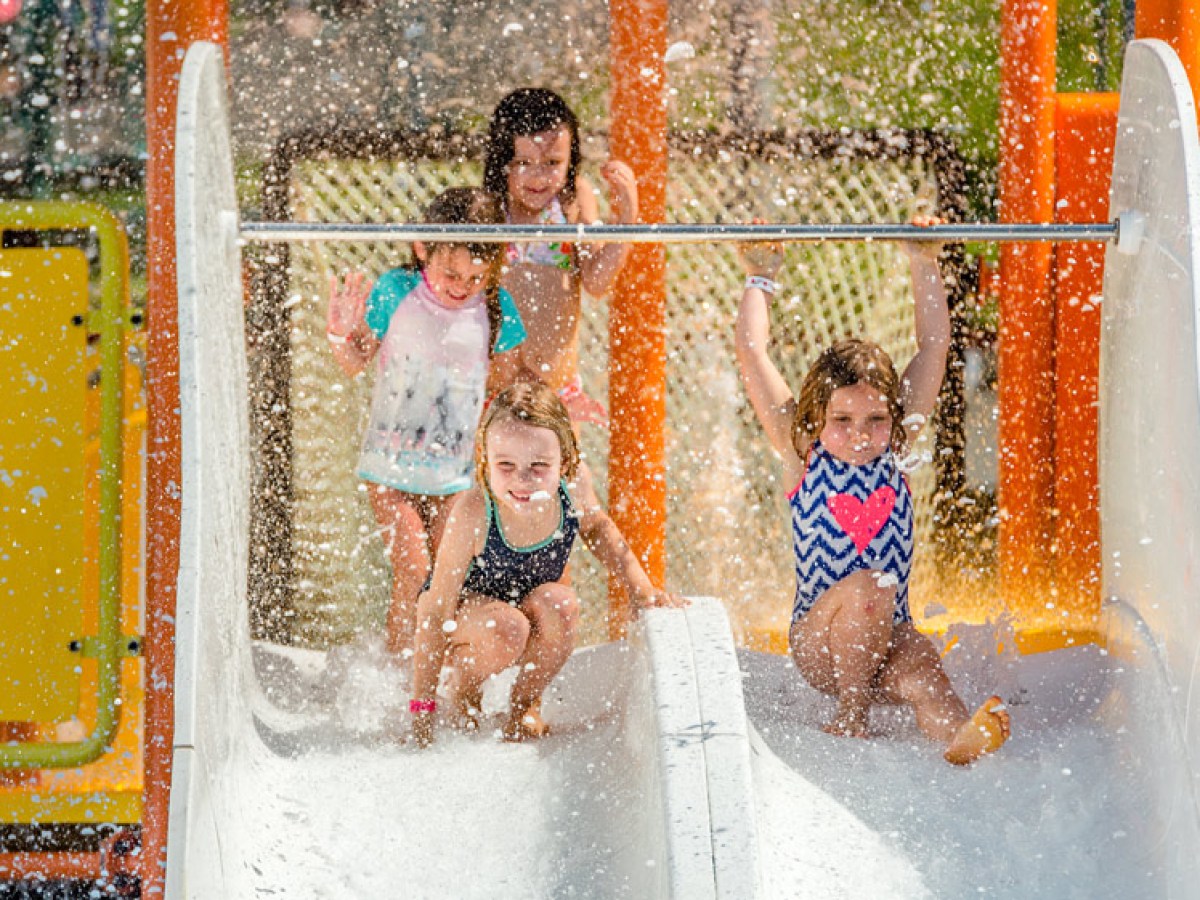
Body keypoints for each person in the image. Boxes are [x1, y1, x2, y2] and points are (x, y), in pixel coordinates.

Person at [734, 219, 1011, 765]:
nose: (860, 434)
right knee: (868, 586)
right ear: (817, 416)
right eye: (843, 418)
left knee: (924, 669)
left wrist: (922, 257)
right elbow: (752, 353)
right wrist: (760, 278)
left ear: (894, 415)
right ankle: (850, 713)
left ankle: (959, 737)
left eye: (875, 418)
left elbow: (935, 343)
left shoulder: (897, 448)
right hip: (820, 644)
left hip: (887, 633)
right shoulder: (803, 451)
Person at [408, 381, 683, 746]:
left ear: (565, 462)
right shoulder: (475, 510)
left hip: (523, 607)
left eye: (538, 466)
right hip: (469, 619)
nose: (522, 478)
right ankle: (464, 689)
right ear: (485, 458)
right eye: (506, 464)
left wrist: (642, 589)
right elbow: (434, 609)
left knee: (563, 605)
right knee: (507, 628)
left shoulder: (573, 488)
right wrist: (421, 713)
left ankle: (523, 706)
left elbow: (599, 529)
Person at [326, 187, 527, 658]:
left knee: (447, 576)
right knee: (412, 566)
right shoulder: (397, 291)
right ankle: (398, 674)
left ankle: (436, 672)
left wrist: (549, 404)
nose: (461, 286)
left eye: (476, 277)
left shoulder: (496, 308)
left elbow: (506, 383)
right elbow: (355, 361)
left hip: (453, 473)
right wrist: (339, 331)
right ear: (423, 248)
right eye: (451, 272)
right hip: (390, 466)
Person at [483, 87, 639, 428]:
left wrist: (626, 218)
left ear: (571, 162)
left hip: (557, 391)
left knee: (569, 478)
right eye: (523, 163)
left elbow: (597, 281)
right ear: (501, 162)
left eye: (552, 163)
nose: (539, 176)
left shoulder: (570, 201)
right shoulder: (490, 209)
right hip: (493, 389)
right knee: (492, 474)